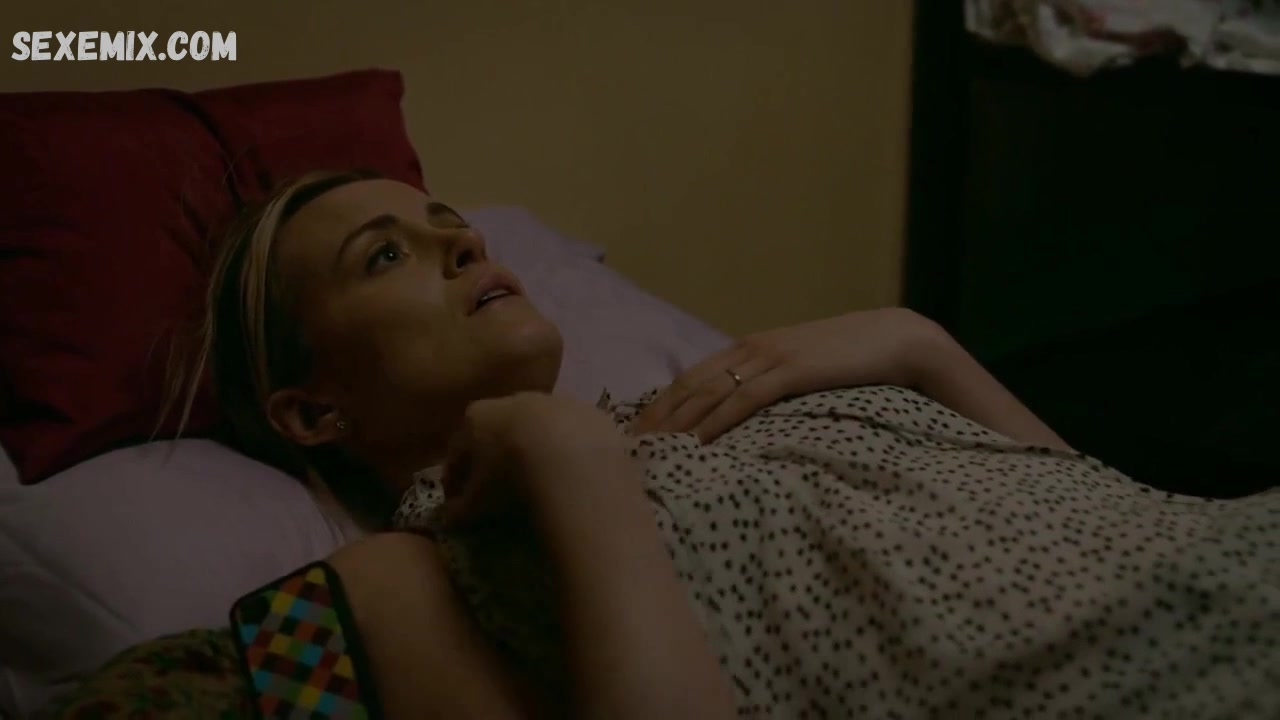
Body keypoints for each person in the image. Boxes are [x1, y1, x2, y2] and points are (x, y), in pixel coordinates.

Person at [179, 169, 1279, 719]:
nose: (463, 244)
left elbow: (1110, 524)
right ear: (312, 415)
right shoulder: (380, 587)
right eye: (385, 257)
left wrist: (920, 347)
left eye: (447, 223)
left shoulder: (705, 408)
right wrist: (567, 460)